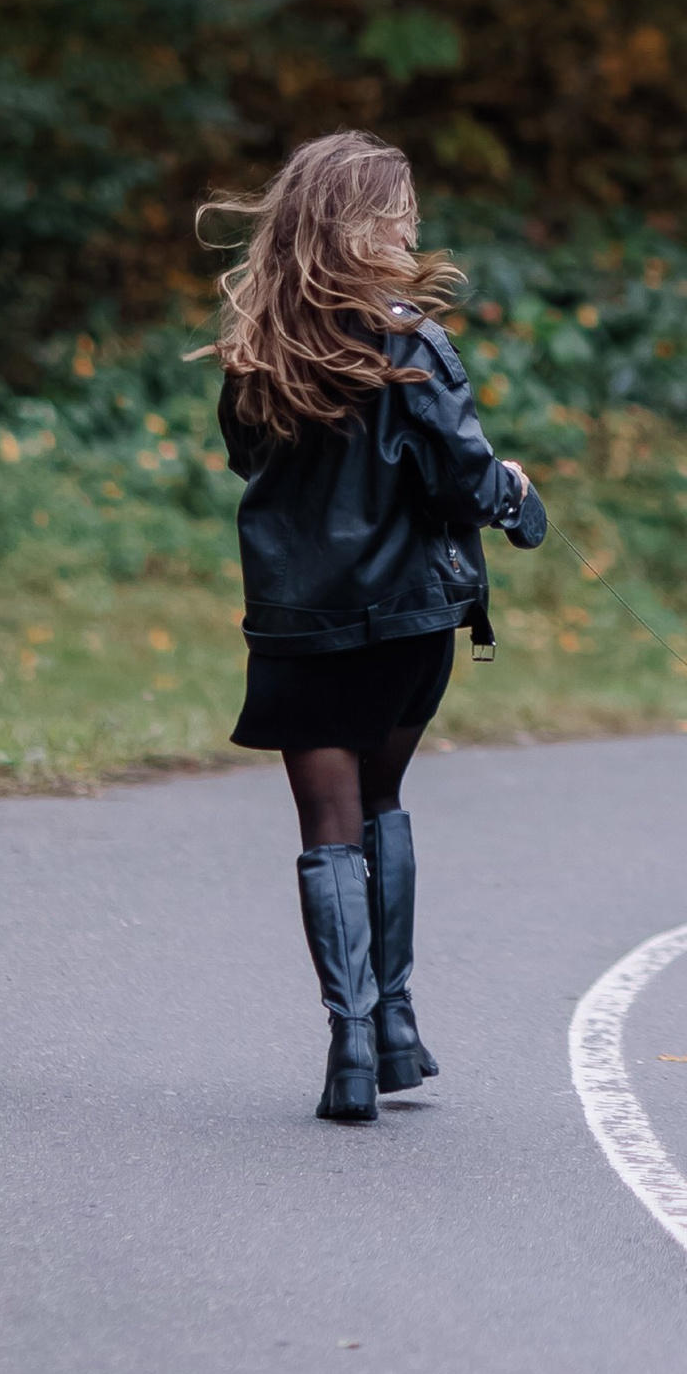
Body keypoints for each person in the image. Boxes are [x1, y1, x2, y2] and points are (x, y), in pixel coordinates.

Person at [201, 130, 548, 1124]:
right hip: (405, 617)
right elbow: (460, 477)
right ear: (368, 222)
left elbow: (245, 461)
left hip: (298, 621)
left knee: (326, 825)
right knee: (384, 798)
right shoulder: (411, 341)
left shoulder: (256, 345)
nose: (413, 224)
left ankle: (349, 1049)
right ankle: (396, 1025)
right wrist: (519, 499)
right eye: (402, 209)